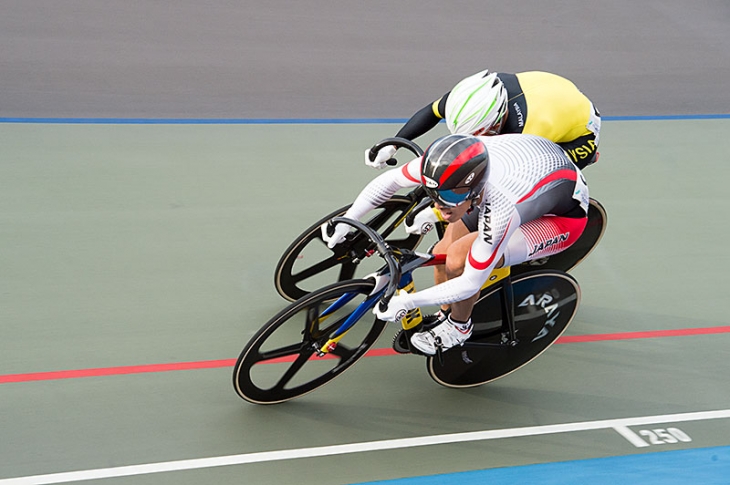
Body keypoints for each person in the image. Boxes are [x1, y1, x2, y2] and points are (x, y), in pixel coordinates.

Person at [326, 132, 589, 355]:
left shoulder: (501, 207)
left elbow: (470, 282)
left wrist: (410, 302)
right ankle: (444, 315)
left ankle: (459, 327)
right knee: (441, 251)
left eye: (449, 197)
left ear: (473, 190)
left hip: (560, 218)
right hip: (524, 168)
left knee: (457, 260)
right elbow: (391, 180)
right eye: (434, 194)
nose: (440, 205)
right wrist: (348, 219)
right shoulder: (444, 163)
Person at [366, 69, 601, 171]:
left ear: (497, 120)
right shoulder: (473, 95)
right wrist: (394, 143)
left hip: (580, 136)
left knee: (533, 180)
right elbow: (431, 111)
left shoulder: (528, 130)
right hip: (549, 94)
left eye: (478, 132)